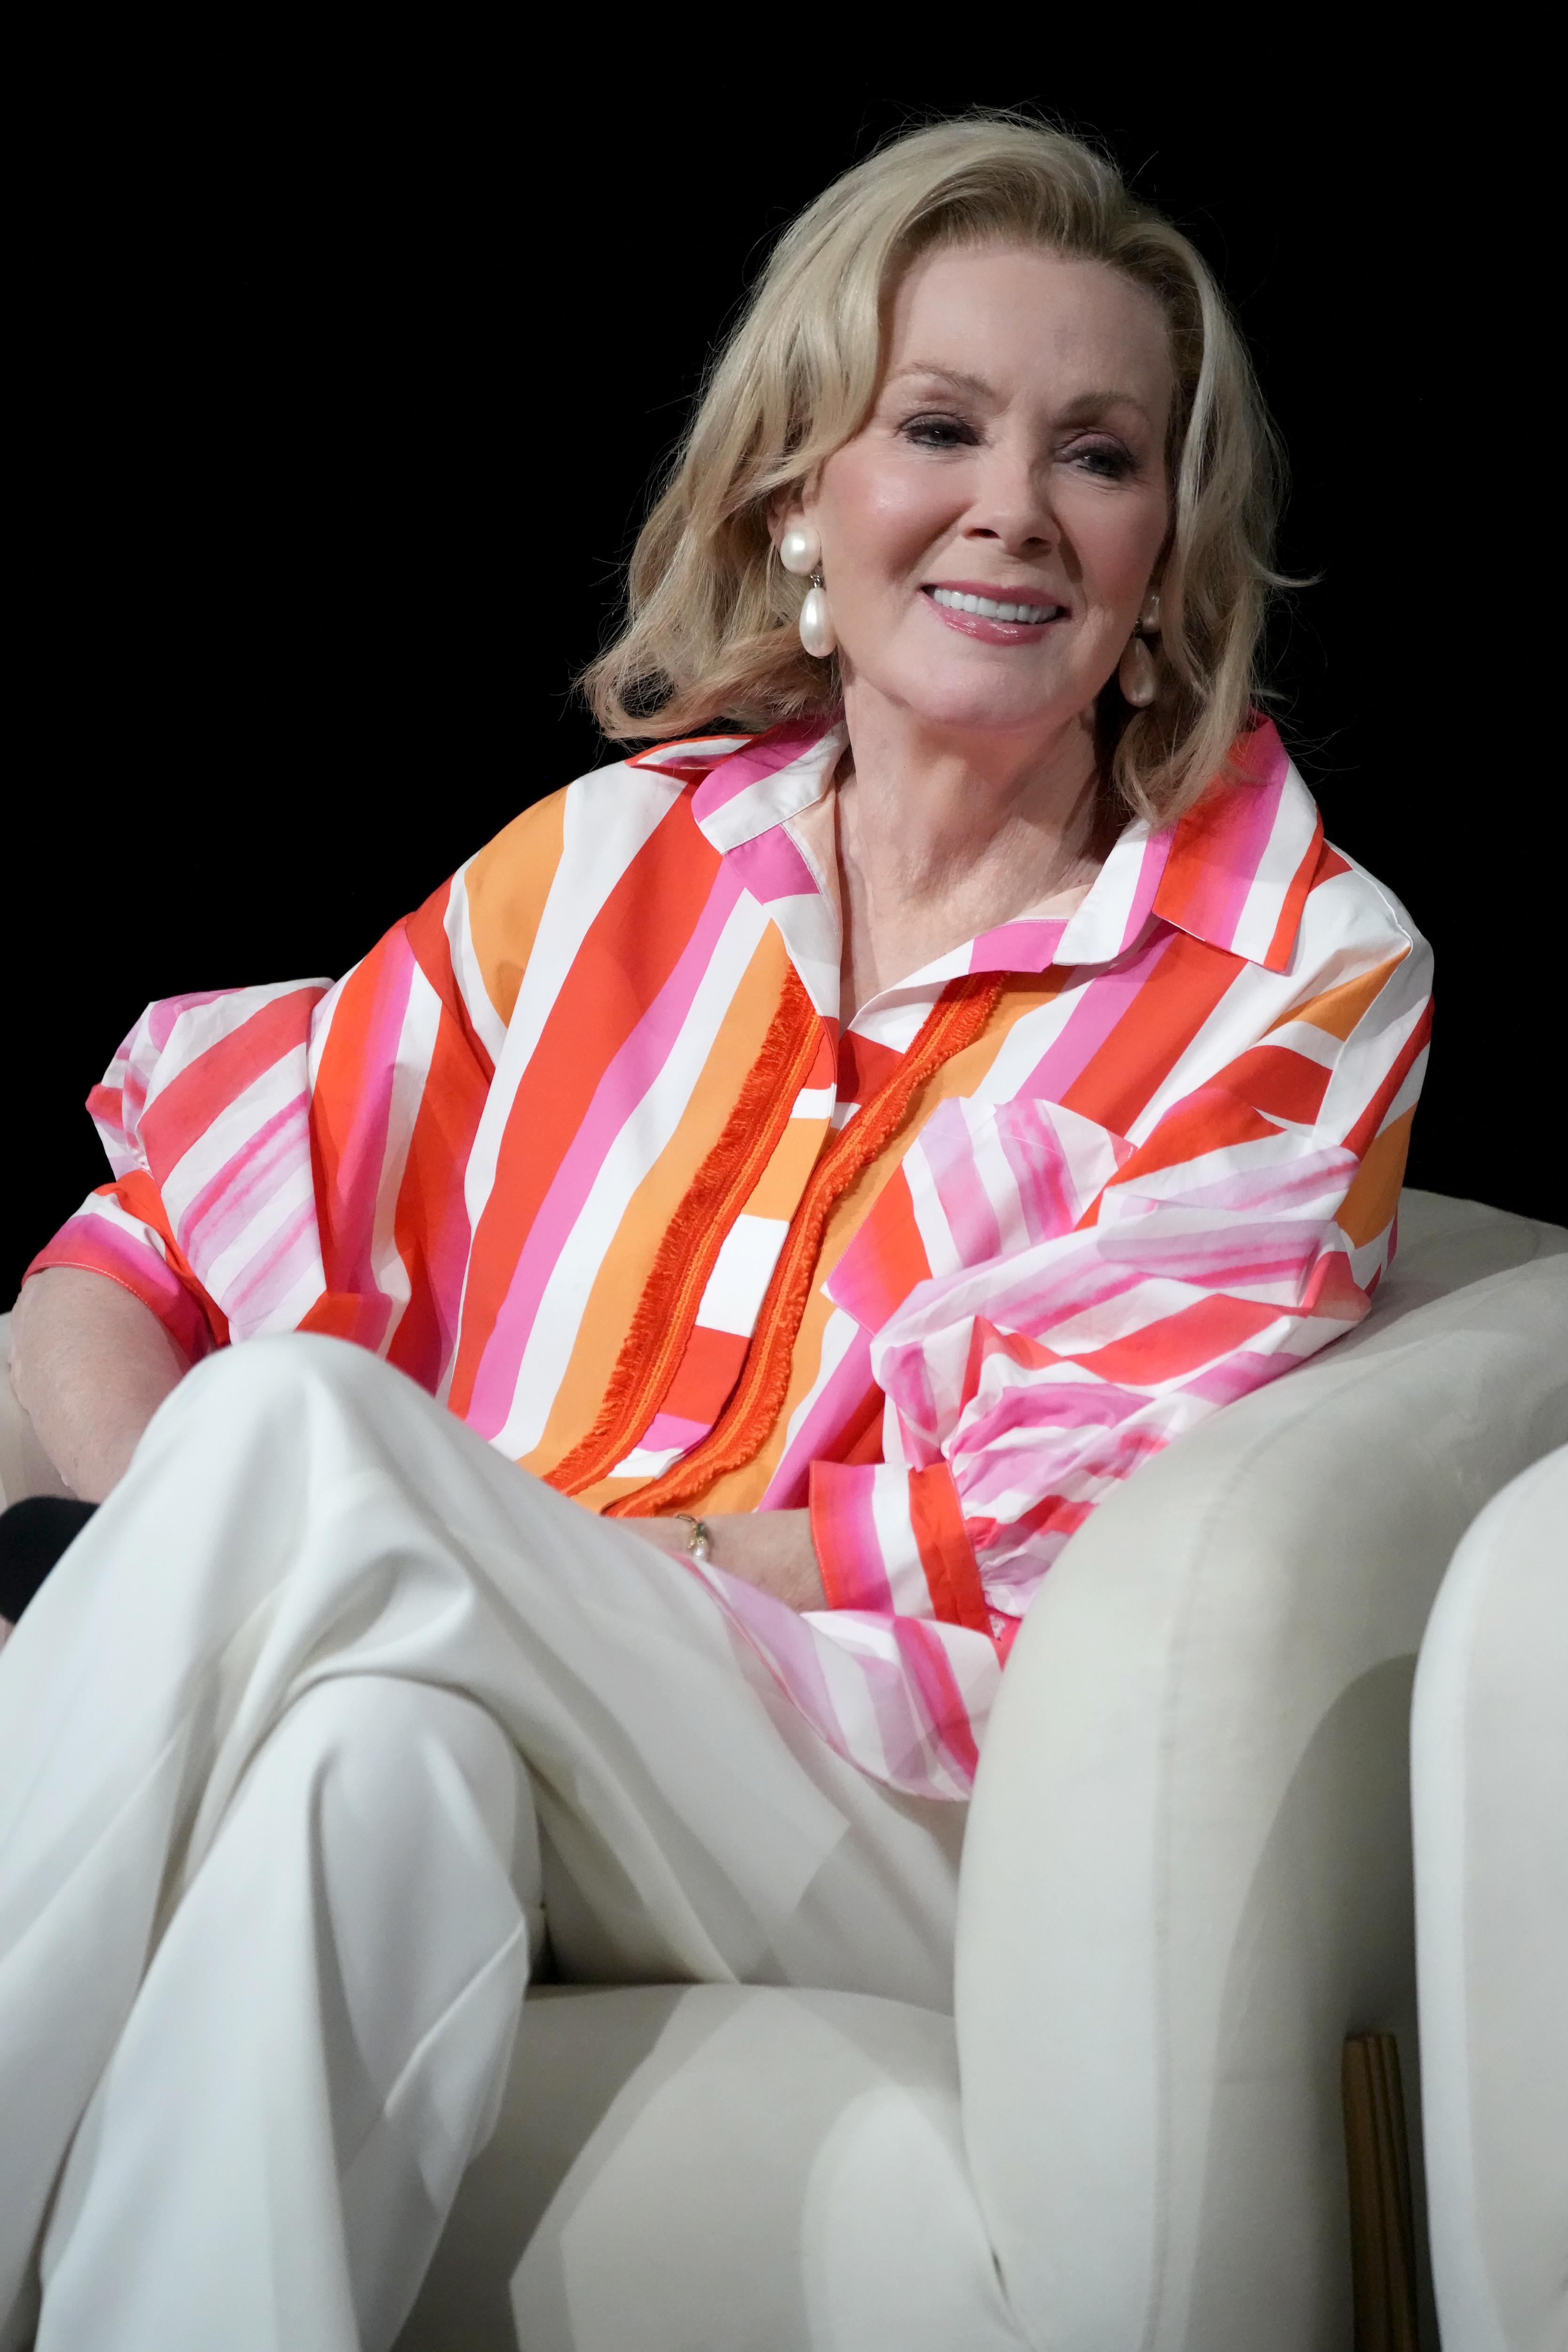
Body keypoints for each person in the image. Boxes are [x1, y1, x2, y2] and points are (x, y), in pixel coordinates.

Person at [0, 115, 1431, 2349]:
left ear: (1168, 554)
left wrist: (509, 1546)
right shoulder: (608, 870)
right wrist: (226, 1574)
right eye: (937, 426)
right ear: (794, 496)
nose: (1013, 508)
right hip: (530, 1691)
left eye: (1100, 455)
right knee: (368, 1769)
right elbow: (131, 1253)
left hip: (913, 1799)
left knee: (307, 1444)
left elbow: (1037, 1531)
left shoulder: (1296, 971)